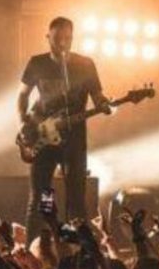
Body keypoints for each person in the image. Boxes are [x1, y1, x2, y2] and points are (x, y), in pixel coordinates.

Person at [17, 17, 109, 239]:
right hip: (44, 138)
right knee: (42, 196)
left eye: (67, 38)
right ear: (48, 37)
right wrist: (23, 124)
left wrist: (106, 105)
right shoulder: (37, 63)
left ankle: (77, 252)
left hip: (74, 141)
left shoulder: (85, 64)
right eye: (57, 37)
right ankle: (36, 248)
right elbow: (22, 95)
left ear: (72, 38)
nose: (62, 42)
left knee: (76, 198)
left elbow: (98, 97)